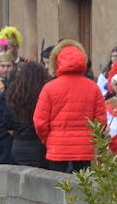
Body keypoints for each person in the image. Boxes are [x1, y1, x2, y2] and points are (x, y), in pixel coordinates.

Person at [34, 39, 107, 174]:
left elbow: (40, 121)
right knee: (82, 189)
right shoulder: (93, 87)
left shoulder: (49, 88)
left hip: (57, 147)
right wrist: (94, 140)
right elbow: (101, 120)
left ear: (57, 61)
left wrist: (48, 139)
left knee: (58, 187)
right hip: (84, 147)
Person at [0, 60, 48, 167]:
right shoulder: (45, 94)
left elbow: (6, 122)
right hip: (40, 145)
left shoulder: (13, 95)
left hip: (19, 144)